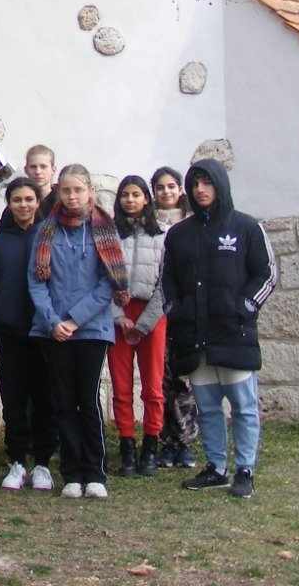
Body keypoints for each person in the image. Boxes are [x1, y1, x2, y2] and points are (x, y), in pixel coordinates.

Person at [162, 158, 275, 500]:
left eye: (207, 182)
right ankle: (216, 467)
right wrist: (176, 312)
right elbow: (167, 281)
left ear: (220, 185)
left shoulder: (246, 227)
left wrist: (244, 307)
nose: (200, 189)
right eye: (195, 183)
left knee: (243, 406)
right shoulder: (179, 235)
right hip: (195, 339)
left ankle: (244, 469)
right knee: (207, 408)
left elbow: (266, 274)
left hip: (234, 335)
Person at [27, 164, 129, 500]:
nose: (72, 197)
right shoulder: (46, 231)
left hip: (91, 329)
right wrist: (53, 320)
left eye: (78, 190)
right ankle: (71, 472)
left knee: (87, 400)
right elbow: (36, 282)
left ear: (89, 192)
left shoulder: (104, 230)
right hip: (53, 330)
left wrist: (74, 319)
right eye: (66, 191)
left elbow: (107, 284)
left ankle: (94, 471)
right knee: (63, 401)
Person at [0, 177, 56, 491]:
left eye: (29, 199)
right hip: (10, 335)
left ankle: (44, 463)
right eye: (17, 200)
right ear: (9, 204)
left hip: (45, 333)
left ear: (38, 202)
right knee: (14, 399)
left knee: (44, 397)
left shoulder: (49, 237)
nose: (23, 205)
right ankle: (17, 460)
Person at [110, 174, 167, 478]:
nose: (130, 200)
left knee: (153, 386)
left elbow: (165, 284)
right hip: (119, 315)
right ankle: (127, 447)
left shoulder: (162, 236)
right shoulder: (110, 236)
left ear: (147, 198)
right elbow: (102, 279)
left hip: (152, 315)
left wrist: (143, 323)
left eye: (136, 194)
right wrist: (119, 317)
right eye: (125, 195)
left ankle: (151, 446)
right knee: (121, 386)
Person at [151, 164, 199, 469]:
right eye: (160, 187)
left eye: (171, 186)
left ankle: (185, 441)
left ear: (180, 190)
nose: (166, 192)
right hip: (157, 310)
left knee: (185, 381)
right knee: (161, 381)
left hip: (185, 310)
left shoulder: (192, 223)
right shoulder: (149, 223)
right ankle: (165, 441)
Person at [24, 144, 58, 220]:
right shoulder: (19, 202)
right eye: (33, 167)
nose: (38, 172)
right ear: (26, 170)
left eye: (43, 167)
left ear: (53, 170)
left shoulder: (62, 202)